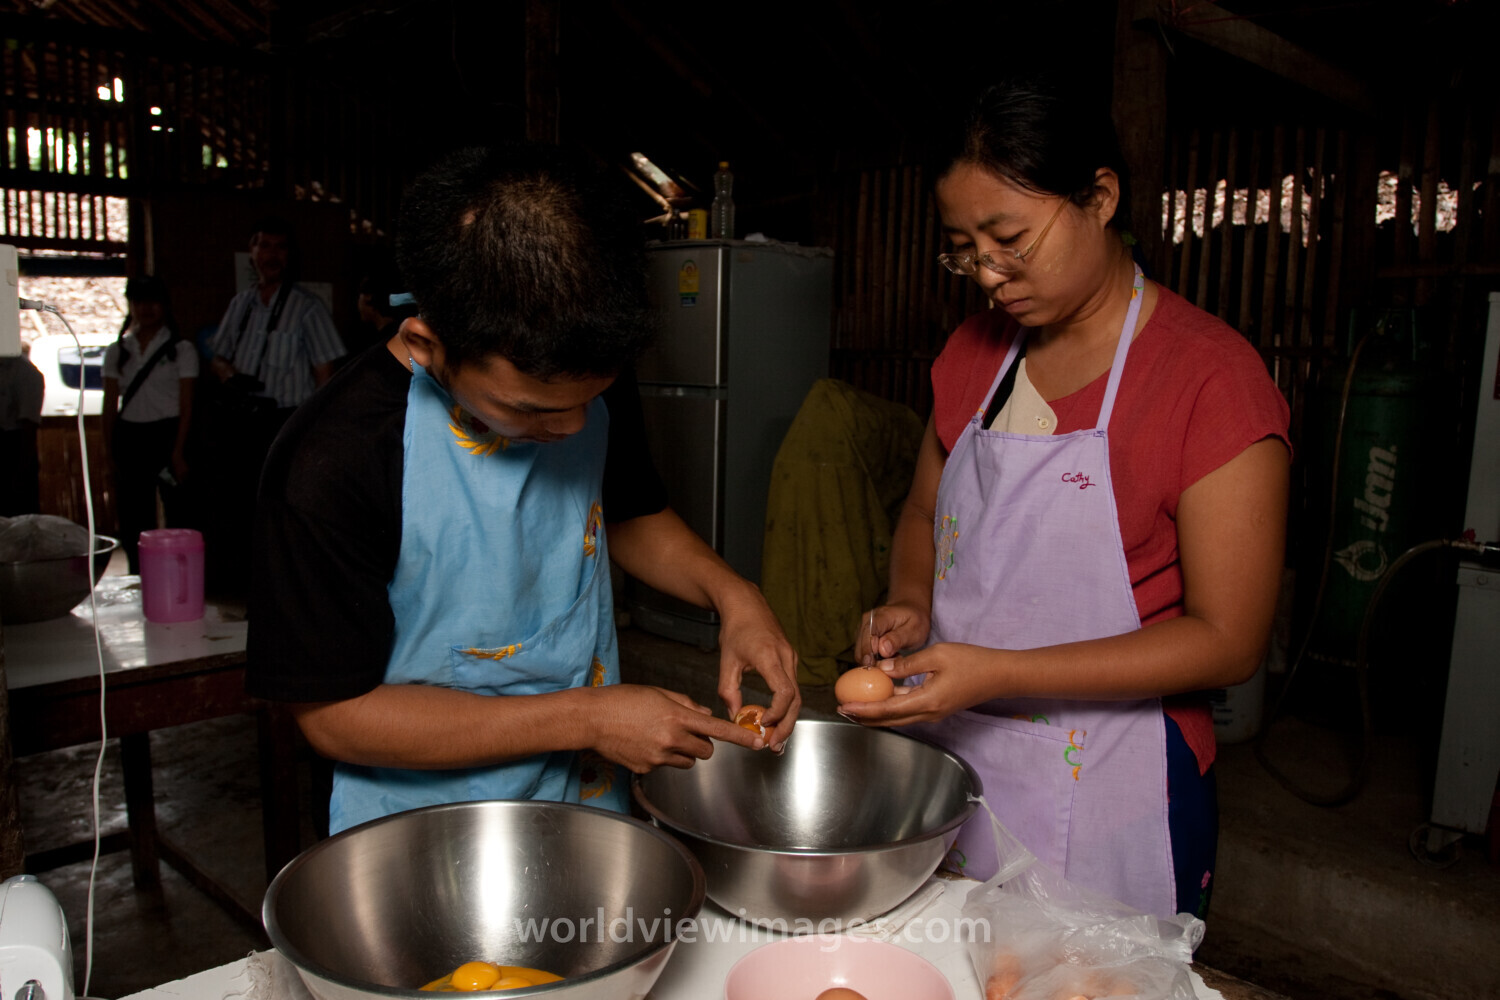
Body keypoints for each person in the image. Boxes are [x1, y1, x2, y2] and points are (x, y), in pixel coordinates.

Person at [246, 144, 801, 834]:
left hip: (583, 797)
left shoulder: (575, 358)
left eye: (587, 401)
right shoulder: (331, 461)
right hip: (424, 824)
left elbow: (630, 511)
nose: (571, 429)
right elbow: (335, 716)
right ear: (426, 344)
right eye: (530, 411)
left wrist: (733, 595)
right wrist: (586, 716)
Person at [846, 80, 1291, 920]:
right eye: (963, 248)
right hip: (961, 753)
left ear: (1100, 196)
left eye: (1010, 240)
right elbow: (920, 515)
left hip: (1117, 782)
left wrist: (999, 672)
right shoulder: (976, 355)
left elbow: (1229, 642)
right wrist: (908, 601)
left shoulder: (1210, 380)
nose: (987, 274)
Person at [202, 217, 345, 592]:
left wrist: (313, 437)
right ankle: (240, 586)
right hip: (241, 422)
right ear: (251, 253)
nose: (271, 255)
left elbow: (325, 376)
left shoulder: (307, 308)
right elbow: (216, 358)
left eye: (280, 248)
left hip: (283, 424)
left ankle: (280, 590)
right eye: (264, 246)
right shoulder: (242, 304)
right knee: (237, 509)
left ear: (290, 256)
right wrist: (229, 375)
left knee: (278, 512)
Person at [101, 276, 198, 571]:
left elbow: (187, 405)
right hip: (130, 436)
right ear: (130, 306)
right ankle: (138, 577)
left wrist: (179, 452)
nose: (146, 308)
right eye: (139, 302)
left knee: (178, 511)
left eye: (153, 301)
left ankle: (181, 575)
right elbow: (109, 406)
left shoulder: (181, 349)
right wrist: (109, 451)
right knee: (133, 516)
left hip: (169, 435)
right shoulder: (117, 351)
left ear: (165, 306)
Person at [0, 345, 44, 516]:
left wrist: (21, 469)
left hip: (13, 450)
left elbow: (28, 425)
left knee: (17, 514)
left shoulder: (25, 373)